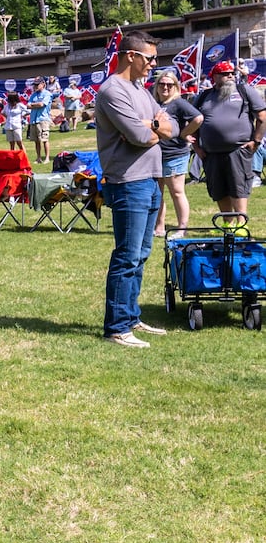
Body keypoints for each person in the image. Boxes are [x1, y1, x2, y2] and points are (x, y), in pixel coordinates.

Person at [94, 32, 174, 348]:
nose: (154, 65)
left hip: (150, 181)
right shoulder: (113, 91)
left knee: (140, 255)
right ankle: (116, 327)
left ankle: (130, 317)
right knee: (127, 256)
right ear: (131, 55)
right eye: (150, 58)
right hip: (129, 183)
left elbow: (172, 127)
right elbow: (139, 137)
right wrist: (152, 129)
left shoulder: (139, 90)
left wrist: (151, 126)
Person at [192, 60, 266, 217]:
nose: (230, 76)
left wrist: (256, 141)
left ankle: (241, 223)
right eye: (225, 74)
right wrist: (196, 147)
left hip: (238, 151)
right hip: (211, 152)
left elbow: (262, 117)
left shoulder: (244, 90)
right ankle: (227, 223)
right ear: (214, 77)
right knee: (218, 189)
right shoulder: (204, 96)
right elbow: (193, 121)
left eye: (232, 73)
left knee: (238, 187)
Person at [151, 71, 202, 237]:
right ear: (156, 86)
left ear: (175, 87)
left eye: (169, 84)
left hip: (175, 154)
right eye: (162, 84)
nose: (165, 87)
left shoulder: (179, 103)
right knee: (157, 192)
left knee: (177, 191)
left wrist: (182, 133)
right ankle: (159, 227)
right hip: (155, 154)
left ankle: (182, 228)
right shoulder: (153, 103)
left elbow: (198, 118)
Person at [27, 78, 54, 163]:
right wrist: (36, 104)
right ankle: (38, 158)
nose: (35, 86)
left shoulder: (47, 94)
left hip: (43, 119)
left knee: (44, 139)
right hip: (33, 119)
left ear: (43, 84)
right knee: (36, 140)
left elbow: (42, 104)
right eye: (34, 85)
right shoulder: (33, 95)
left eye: (37, 85)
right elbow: (28, 105)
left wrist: (33, 105)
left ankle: (46, 158)